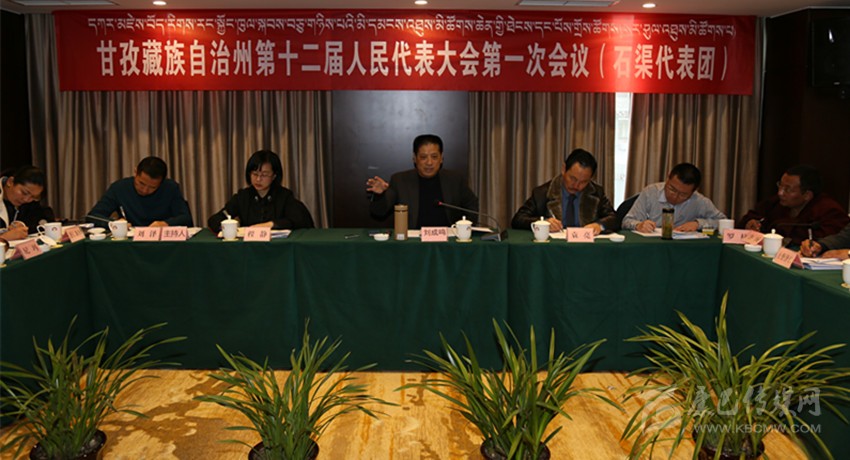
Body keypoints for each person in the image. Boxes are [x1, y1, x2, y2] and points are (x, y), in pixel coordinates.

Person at [366, 134, 478, 229]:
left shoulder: (455, 179)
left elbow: (472, 207)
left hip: (448, 240)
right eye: (423, 157)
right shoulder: (400, 180)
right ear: (414, 158)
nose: (429, 162)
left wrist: (463, 230)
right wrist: (379, 196)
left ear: (441, 158)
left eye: (434, 157)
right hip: (413, 242)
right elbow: (379, 212)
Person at [511, 148, 616, 234]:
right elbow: (518, 219)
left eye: (583, 182)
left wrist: (599, 225)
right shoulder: (542, 193)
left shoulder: (596, 193)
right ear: (563, 169)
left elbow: (614, 218)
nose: (576, 185)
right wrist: (543, 223)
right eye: (573, 178)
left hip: (586, 248)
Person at [738, 165, 849, 245]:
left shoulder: (829, 211)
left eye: (787, 189)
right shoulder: (777, 202)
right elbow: (753, 216)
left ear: (807, 195)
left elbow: (826, 241)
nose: (780, 193)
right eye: (780, 186)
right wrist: (750, 222)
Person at [208, 150, 314, 231]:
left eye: (264, 175)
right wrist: (231, 226)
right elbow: (215, 219)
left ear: (274, 176)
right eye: (255, 174)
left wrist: (271, 225)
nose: (258, 179)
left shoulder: (284, 196)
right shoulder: (243, 197)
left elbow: (299, 220)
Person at [87, 157, 192, 228]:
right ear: (135, 172)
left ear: (161, 182)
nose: (145, 190)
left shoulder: (170, 188)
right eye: (141, 183)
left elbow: (185, 218)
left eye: (152, 187)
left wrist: (166, 223)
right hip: (129, 244)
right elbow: (93, 217)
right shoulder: (119, 188)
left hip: (162, 243)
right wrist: (113, 223)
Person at [622, 163, 726, 232]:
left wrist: (698, 224)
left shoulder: (699, 201)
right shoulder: (651, 192)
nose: (675, 196)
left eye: (683, 194)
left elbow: (723, 222)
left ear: (693, 192)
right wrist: (638, 225)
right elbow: (627, 220)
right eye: (672, 189)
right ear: (668, 178)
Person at [0, 165, 55, 244]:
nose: (26, 199)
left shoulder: (29, 201)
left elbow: (42, 217)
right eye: (24, 193)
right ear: (10, 182)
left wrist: (22, 225)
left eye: (33, 197)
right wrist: (4, 238)